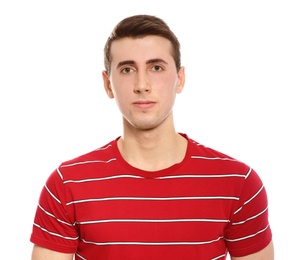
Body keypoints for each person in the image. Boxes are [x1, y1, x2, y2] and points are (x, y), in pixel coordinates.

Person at [30, 14, 274, 260]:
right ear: (107, 84)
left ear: (179, 79)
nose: (142, 84)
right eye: (127, 69)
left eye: (156, 67)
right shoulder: (67, 185)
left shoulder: (238, 183)